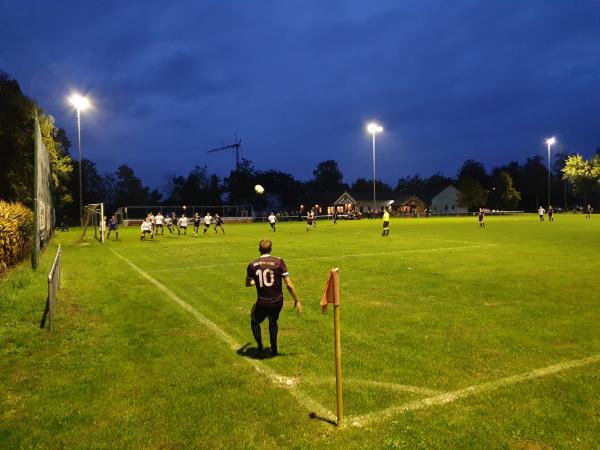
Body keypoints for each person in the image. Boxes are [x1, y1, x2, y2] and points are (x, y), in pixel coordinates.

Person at [245, 239, 302, 356]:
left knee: (254, 320)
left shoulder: (252, 264)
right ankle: (274, 349)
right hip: (278, 302)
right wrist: (297, 300)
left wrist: (258, 281)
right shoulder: (279, 261)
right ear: (271, 249)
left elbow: (248, 283)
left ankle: (260, 346)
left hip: (262, 302)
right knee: (273, 321)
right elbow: (289, 284)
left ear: (259, 249)